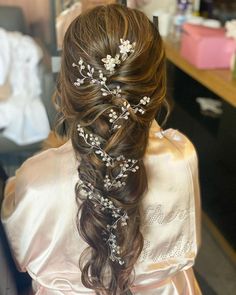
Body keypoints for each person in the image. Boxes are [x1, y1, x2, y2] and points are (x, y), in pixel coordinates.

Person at [1, 4, 202, 295]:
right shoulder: (180, 156)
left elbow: (20, 256)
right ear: (157, 85)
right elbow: (187, 244)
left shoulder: (36, 181)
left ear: (67, 85)